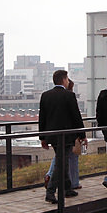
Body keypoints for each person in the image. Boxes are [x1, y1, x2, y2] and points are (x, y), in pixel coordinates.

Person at [38, 69, 84, 204]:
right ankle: (50, 192)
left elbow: (42, 118)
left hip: (52, 136)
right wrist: (82, 135)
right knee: (61, 163)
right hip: (66, 136)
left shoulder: (45, 95)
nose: (68, 81)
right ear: (64, 80)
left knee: (62, 161)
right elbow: (76, 117)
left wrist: (43, 137)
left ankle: (67, 188)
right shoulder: (69, 95)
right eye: (67, 79)